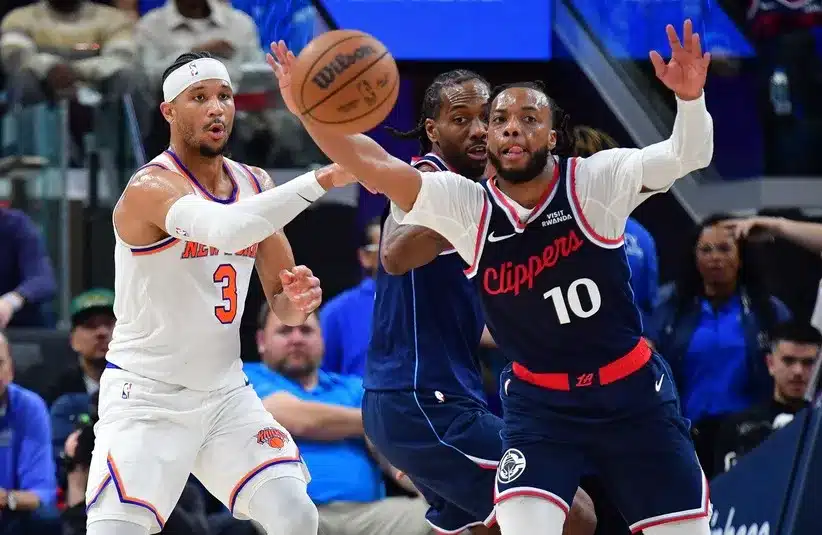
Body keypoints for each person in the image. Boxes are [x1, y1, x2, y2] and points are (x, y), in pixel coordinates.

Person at [267, 18, 714, 535]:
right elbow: (371, 166)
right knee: (564, 517)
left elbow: (690, 154)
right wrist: (309, 110)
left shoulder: (595, 180)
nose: (500, 127)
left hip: (631, 392)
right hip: (537, 407)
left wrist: (690, 100)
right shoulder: (465, 203)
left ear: (553, 134)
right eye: (496, 119)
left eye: (525, 117)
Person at [83, 51, 355, 535]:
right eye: (200, 97)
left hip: (225, 393)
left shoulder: (254, 183)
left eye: (225, 97)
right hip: (147, 396)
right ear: (169, 111)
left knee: (295, 513)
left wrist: (299, 299)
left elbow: (283, 302)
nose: (217, 108)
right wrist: (324, 178)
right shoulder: (149, 186)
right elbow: (227, 229)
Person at [364, 69, 594, 535]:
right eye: (460, 118)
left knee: (483, 527)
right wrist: (483, 201)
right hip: (420, 398)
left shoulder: (483, 197)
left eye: (484, 118)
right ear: (432, 130)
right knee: (572, 510)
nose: (476, 130)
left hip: (432, 396)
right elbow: (393, 252)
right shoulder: (428, 178)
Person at [713, 321, 821, 474]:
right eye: (788, 361)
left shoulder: (818, 426)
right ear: (770, 363)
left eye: (808, 363)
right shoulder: (739, 428)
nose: (798, 371)